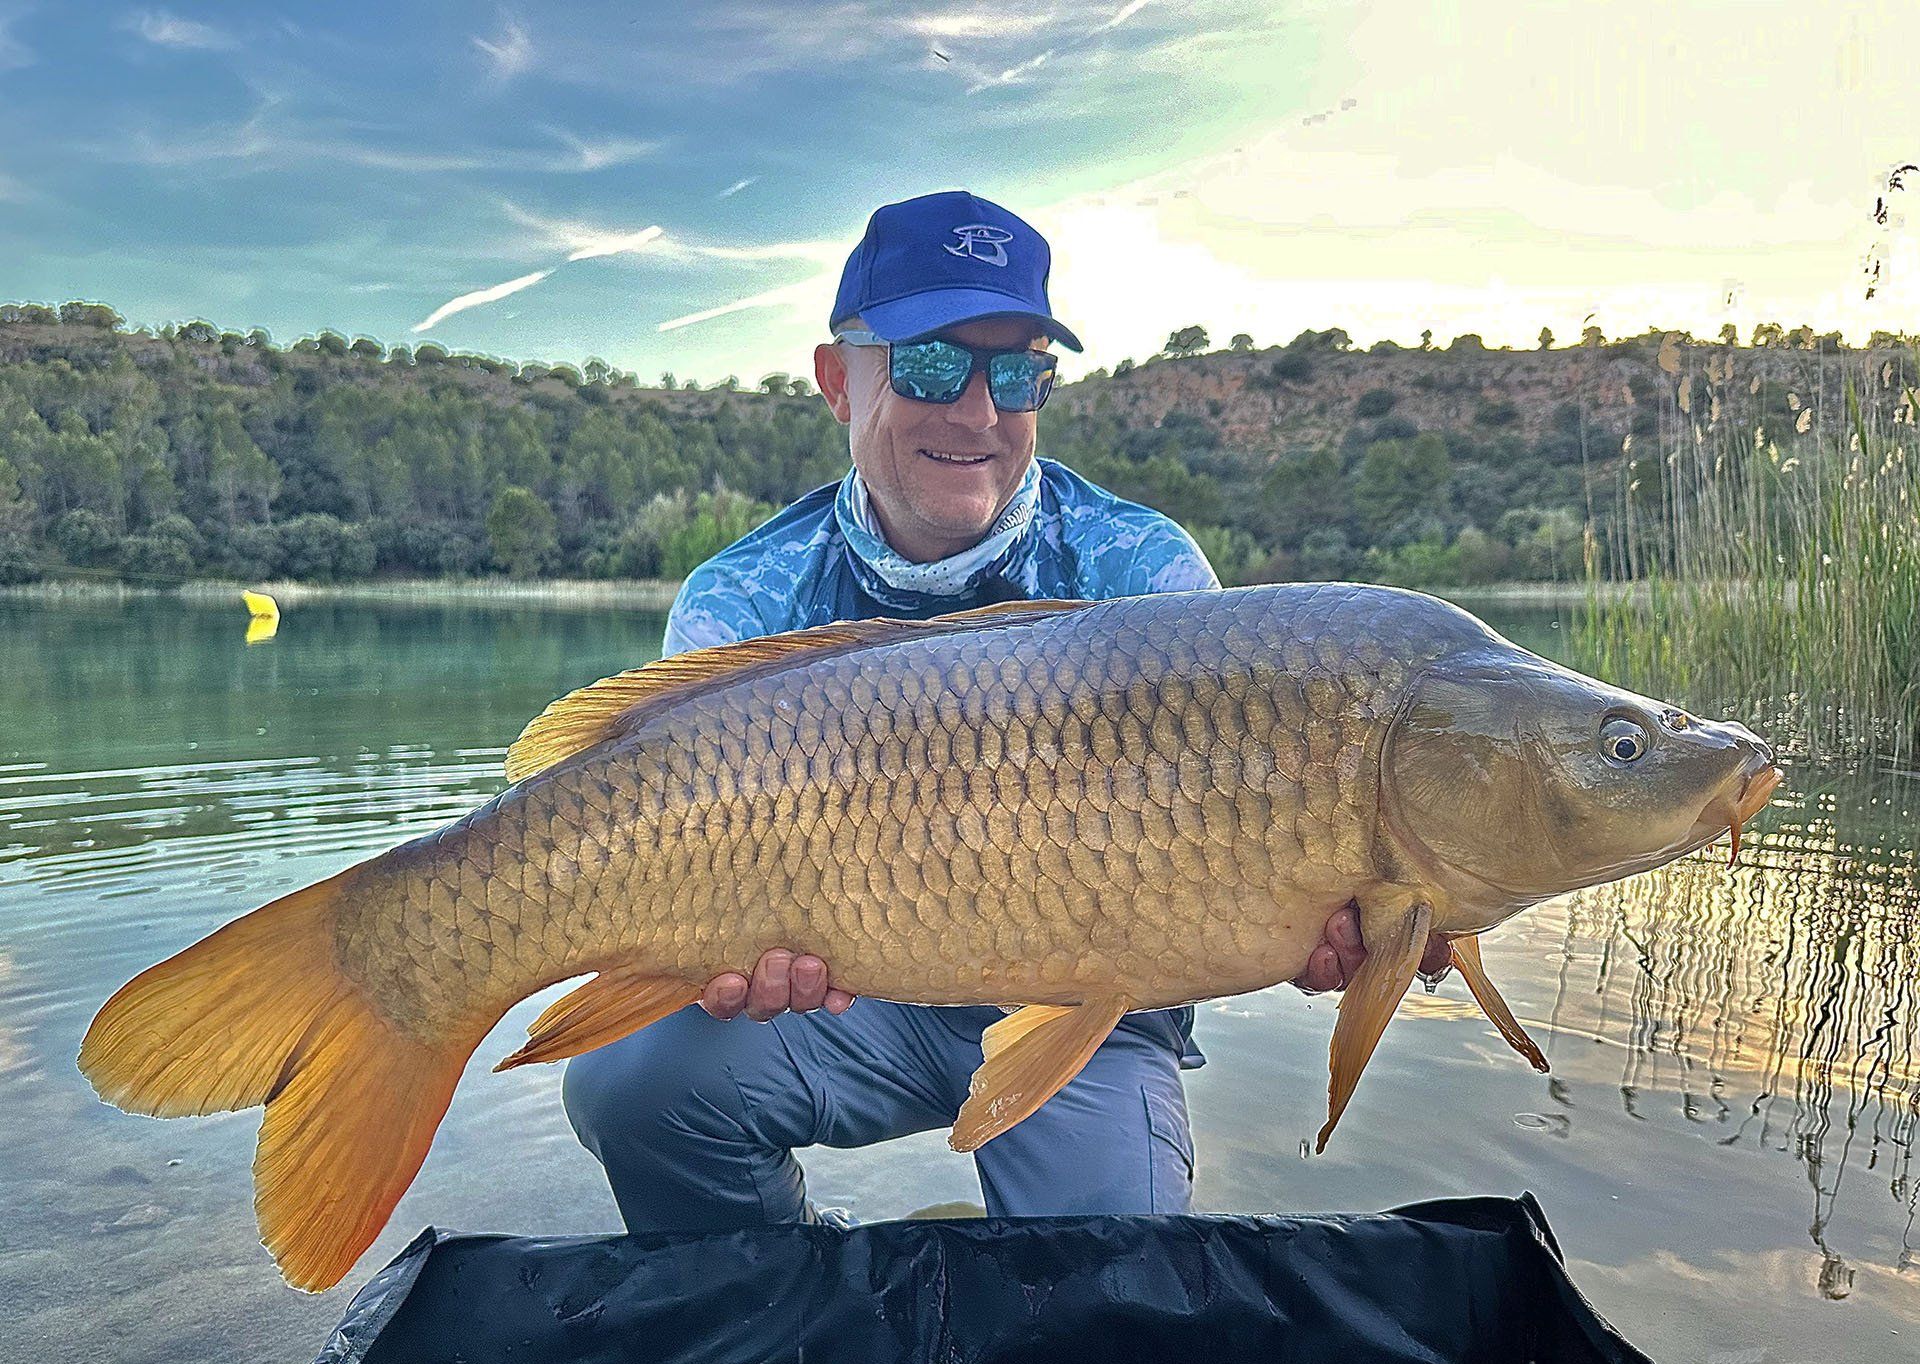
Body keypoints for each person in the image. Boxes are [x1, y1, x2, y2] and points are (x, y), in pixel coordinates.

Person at [563, 190, 1449, 1232]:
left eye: (1019, 371)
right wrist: (722, 956)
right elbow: (690, 876)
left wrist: (1334, 925)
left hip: (1097, 1007)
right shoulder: (743, 600)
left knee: (1106, 1273)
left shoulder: (1146, 571)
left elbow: (1245, 863)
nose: (978, 411)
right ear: (836, 380)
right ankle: (771, 1308)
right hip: (852, 992)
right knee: (627, 1081)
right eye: (933, 365)